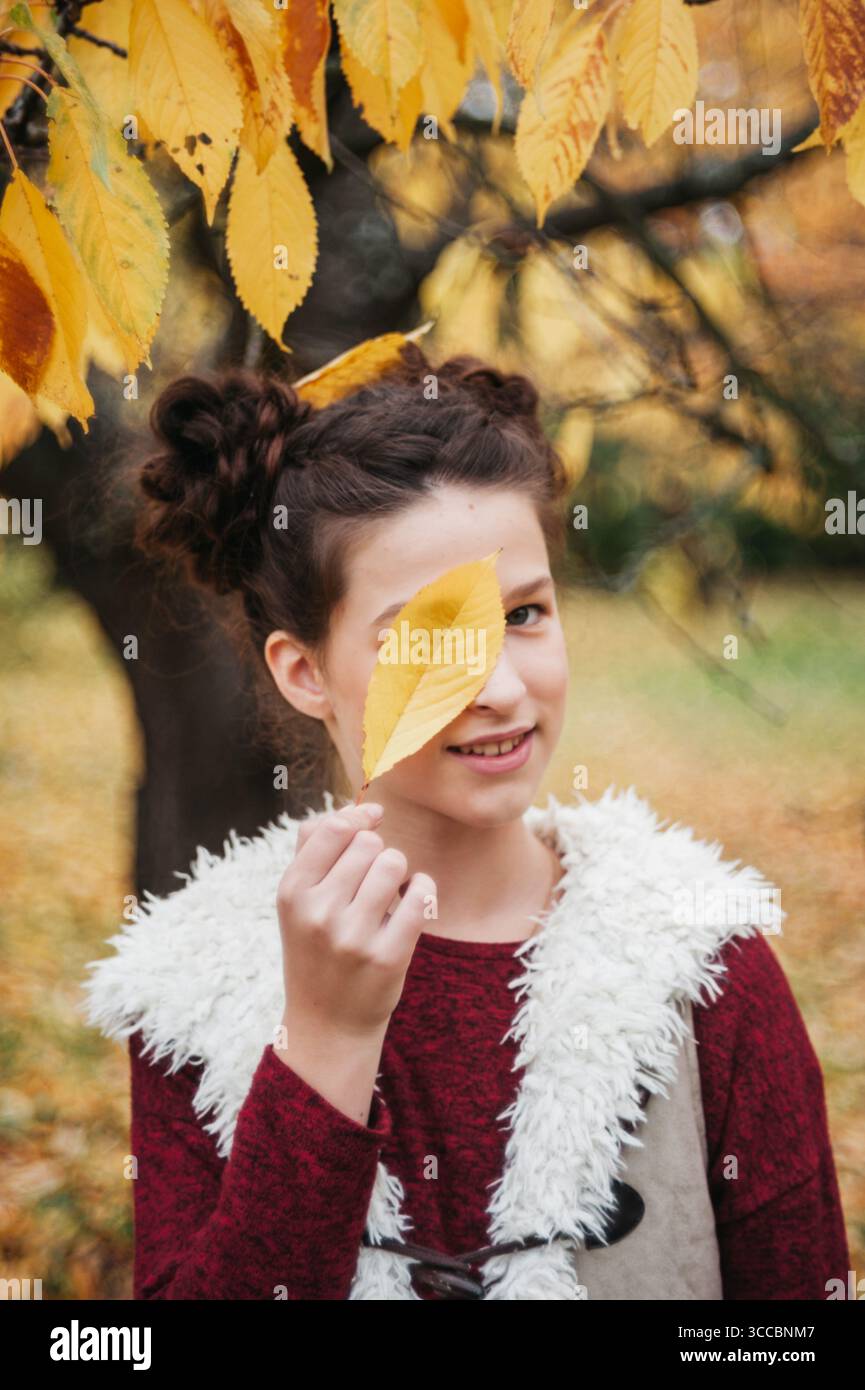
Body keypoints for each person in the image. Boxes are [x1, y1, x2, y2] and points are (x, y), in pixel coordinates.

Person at [82, 350, 849, 1300]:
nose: (499, 688)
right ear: (303, 670)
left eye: (524, 613)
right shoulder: (193, 991)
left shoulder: (704, 968)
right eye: (426, 640)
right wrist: (322, 1045)